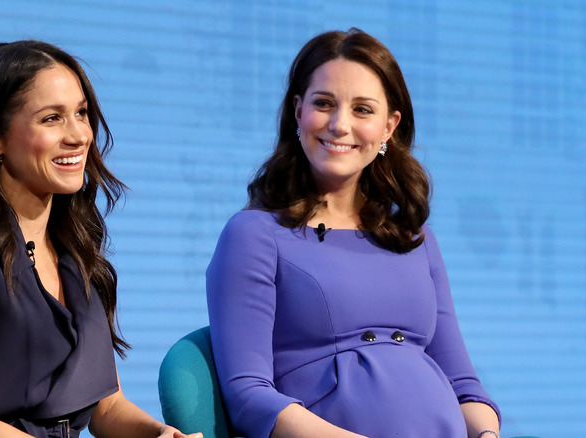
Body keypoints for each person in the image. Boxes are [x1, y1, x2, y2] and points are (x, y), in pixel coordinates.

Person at [206, 29, 501, 438]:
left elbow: (464, 386)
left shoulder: (415, 239)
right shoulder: (254, 235)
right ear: (298, 112)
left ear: (389, 127)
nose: (340, 124)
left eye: (362, 109)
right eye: (324, 104)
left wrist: (486, 435)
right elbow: (248, 395)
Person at [0, 40, 202, 438]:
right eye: (51, 119)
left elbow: (105, 407)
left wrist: (159, 434)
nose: (79, 135)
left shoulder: (74, 247)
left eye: (81, 113)